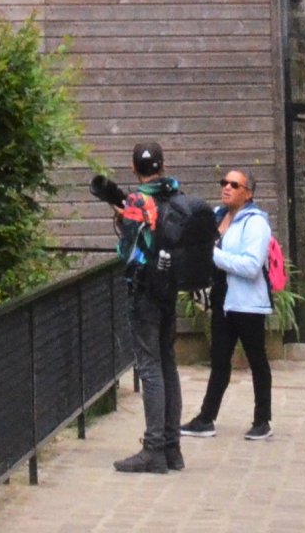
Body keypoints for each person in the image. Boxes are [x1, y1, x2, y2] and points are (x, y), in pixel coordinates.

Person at [90, 143, 193, 474]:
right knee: (168, 364)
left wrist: (123, 223)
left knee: (149, 368)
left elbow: (127, 252)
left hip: (145, 293)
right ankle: (173, 448)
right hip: (169, 290)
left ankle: (153, 449)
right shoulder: (176, 195)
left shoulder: (137, 201)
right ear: (163, 166)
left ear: (135, 169)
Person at [182, 168, 275, 441]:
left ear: (248, 193)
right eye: (224, 182)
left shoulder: (256, 223)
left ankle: (262, 420)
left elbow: (251, 266)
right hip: (222, 299)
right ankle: (206, 418)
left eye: (234, 184)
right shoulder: (218, 216)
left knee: (257, 359)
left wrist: (213, 255)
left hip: (247, 304)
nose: (227, 188)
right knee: (219, 361)